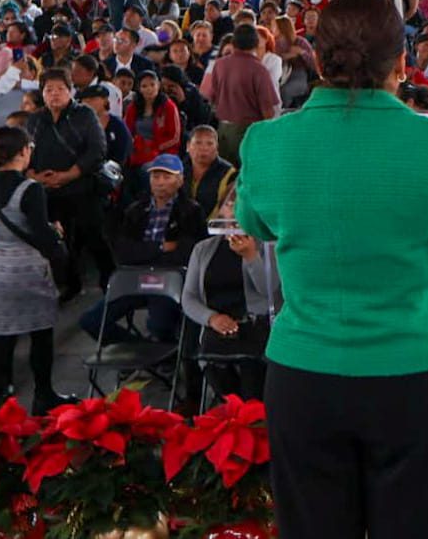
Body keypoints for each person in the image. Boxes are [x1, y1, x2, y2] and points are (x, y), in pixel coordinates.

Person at [235, 0, 428, 539]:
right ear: (403, 62)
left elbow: (258, 222)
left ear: (316, 57)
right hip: (411, 376)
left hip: (304, 374)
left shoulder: (267, 142)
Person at [0, 126, 76, 414]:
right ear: (23, 151)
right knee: (40, 336)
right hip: (26, 272)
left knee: (1, 342)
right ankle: (44, 396)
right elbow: (41, 235)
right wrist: (57, 237)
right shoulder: (29, 189)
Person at [81, 154, 207, 348]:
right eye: (155, 177)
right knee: (91, 321)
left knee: (159, 327)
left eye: (167, 177)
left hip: (169, 280)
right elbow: (123, 253)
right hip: (134, 278)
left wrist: (144, 254)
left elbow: (186, 254)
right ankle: (144, 352)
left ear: (180, 180)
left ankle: (158, 356)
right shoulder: (135, 211)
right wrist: (159, 248)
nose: (160, 183)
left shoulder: (191, 211)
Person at [182, 191, 282, 401]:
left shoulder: (267, 246)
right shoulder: (203, 249)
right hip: (218, 329)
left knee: (252, 380)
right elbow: (189, 297)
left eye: (242, 205)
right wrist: (211, 318)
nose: (235, 211)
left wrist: (251, 256)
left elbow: (270, 292)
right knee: (216, 370)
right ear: (221, 210)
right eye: (230, 205)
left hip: (257, 327)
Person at [25, 68, 107, 301]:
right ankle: (70, 284)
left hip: (81, 187)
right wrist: (33, 175)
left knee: (94, 236)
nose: (55, 94)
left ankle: (109, 280)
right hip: (46, 191)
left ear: (71, 91)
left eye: (60, 89)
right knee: (59, 241)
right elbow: (23, 152)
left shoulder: (84, 115)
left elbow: (97, 150)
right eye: (49, 89)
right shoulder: (35, 119)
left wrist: (70, 174)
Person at [202, 23, 279, 166]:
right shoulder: (259, 70)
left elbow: (210, 96)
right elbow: (268, 109)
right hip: (248, 132)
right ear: (256, 43)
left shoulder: (219, 64)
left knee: (225, 175)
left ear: (233, 42)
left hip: (222, 129)